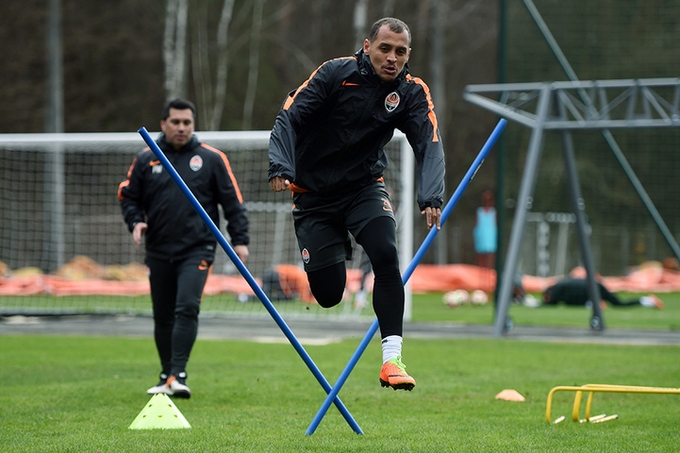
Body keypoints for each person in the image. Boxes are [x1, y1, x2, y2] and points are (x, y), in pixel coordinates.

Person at [268, 17, 445, 391]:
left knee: (386, 254)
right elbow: (289, 116)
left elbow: (429, 142)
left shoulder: (411, 92)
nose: (392, 58)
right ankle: (333, 247)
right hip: (313, 196)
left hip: (364, 188)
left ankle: (392, 360)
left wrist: (431, 195)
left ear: (408, 55)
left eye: (400, 52)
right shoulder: (335, 73)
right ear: (367, 47)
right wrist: (281, 165)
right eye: (385, 49)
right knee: (329, 295)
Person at [118, 99, 249, 398]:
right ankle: (166, 375)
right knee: (163, 315)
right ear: (163, 124)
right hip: (158, 249)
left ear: (193, 125)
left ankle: (178, 374)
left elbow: (233, 204)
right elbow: (128, 196)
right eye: (175, 122)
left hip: (198, 248)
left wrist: (240, 240)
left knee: (187, 307)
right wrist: (136, 222)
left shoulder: (212, 158)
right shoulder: (146, 159)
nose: (181, 127)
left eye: (187, 122)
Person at [543, 278, 664, 309]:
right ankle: (648, 301)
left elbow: (551, 303)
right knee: (619, 304)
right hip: (595, 287)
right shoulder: (562, 286)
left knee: (619, 304)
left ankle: (649, 300)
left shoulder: (559, 288)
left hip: (596, 288)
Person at [473, 190, 497, 269]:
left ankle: (490, 270)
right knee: (481, 255)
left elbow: (495, 224)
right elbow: (477, 224)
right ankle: (480, 270)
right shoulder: (479, 212)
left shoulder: (493, 212)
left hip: (490, 236)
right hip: (481, 235)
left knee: (490, 255)